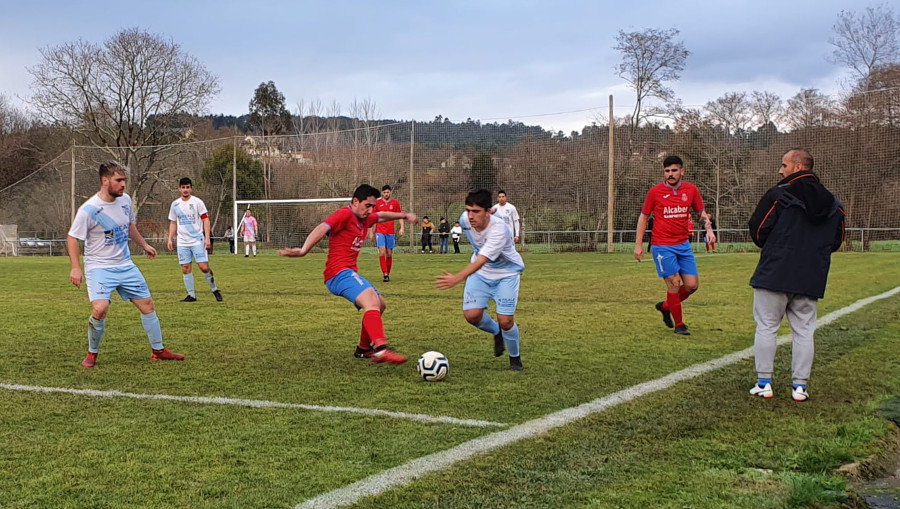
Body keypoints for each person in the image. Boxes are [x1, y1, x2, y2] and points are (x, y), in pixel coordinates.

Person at [279, 184, 417, 364]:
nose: (370, 210)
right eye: (367, 205)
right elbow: (322, 227)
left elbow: (381, 216)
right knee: (371, 301)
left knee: (380, 304)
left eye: (372, 206)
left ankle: (363, 349)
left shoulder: (364, 218)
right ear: (355, 202)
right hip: (337, 274)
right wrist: (304, 249)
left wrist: (404, 215)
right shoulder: (345, 214)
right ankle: (381, 349)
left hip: (348, 273)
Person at [747, 149, 844, 402]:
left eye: (784, 165)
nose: (780, 170)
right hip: (810, 275)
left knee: (767, 326)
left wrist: (776, 247)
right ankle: (800, 387)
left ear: (799, 166)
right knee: (804, 330)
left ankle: (764, 382)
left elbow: (757, 229)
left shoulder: (779, 194)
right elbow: (837, 240)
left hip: (775, 272)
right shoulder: (834, 204)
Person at [66, 161, 184, 368]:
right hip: (99, 267)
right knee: (100, 309)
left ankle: (158, 351)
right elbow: (72, 238)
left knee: (148, 306)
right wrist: (76, 267)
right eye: (118, 180)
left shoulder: (126, 200)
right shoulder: (89, 209)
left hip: (125, 265)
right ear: (105, 181)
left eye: (124, 180)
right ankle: (92, 353)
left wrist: (144, 245)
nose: (123, 185)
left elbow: (130, 227)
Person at [435, 189, 525, 371]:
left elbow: (482, 260)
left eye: (476, 211)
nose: (471, 215)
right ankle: (497, 332)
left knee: (506, 320)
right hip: (481, 274)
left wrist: (457, 278)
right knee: (472, 315)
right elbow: (479, 260)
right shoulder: (464, 220)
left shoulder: (499, 230)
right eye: (468, 210)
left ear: (489, 211)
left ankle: (515, 358)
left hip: (506, 274)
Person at [634, 155, 716, 336]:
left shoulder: (691, 190)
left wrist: (709, 230)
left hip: (683, 245)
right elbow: (643, 217)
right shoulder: (655, 192)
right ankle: (680, 325)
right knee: (674, 282)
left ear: (682, 171)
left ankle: (665, 306)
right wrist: (638, 245)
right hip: (662, 245)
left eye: (674, 170)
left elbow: (700, 212)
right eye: (667, 171)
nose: (670, 174)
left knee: (692, 286)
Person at [167, 177, 222, 302]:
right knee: (185, 268)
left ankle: (214, 289)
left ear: (191, 189)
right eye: (183, 187)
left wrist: (207, 238)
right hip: (182, 242)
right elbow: (173, 222)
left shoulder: (197, 202)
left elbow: (205, 219)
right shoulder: (175, 204)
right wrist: (170, 239)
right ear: (179, 189)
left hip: (197, 240)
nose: (185, 190)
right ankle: (191, 295)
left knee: (204, 267)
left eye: (187, 187)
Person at [367, 184, 404, 282]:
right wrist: (371, 232)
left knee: (389, 253)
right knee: (382, 251)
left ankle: (388, 272)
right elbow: (372, 218)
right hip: (380, 231)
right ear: (382, 193)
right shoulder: (377, 203)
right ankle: (385, 274)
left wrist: (402, 227)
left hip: (391, 231)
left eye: (388, 192)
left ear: (390, 192)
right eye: (384, 192)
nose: (386, 194)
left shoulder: (395, 203)